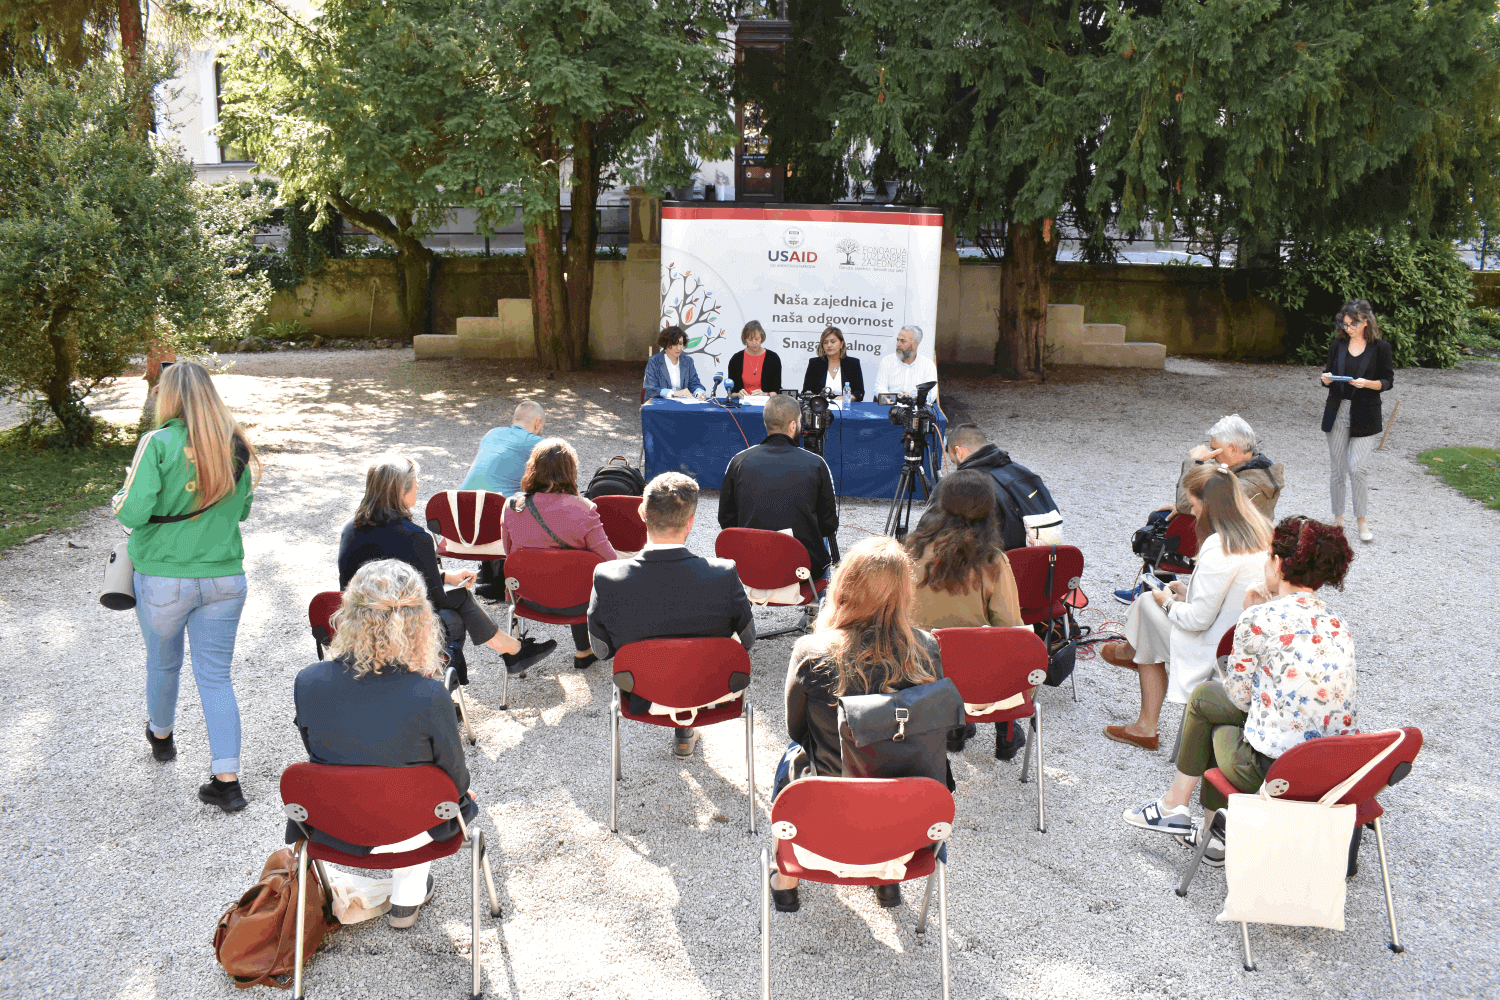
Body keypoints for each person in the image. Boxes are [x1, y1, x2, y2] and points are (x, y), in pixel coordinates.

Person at [1123, 517, 1357, 865]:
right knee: (1214, 705)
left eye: (1268, 556)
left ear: (1278, 564)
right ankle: (1200, 826)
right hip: (1330, 770)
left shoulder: (1260, 618)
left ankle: (1187, 815)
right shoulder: (1338, 624)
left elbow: (1238, 696)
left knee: (1208, 704)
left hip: (1272, 774)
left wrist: (1250, 611)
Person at [291, 559, 478, 929]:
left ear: (348, 615)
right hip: (413, 828)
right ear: (420, 620)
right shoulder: (429, 695)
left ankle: (404, 892)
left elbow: (316, 755)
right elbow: (455, 783)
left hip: (336, 822)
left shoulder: (308, 681)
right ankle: (406, 900)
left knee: (401, 787)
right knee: (425, 791)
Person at [112, 360, 263, 813]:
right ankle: (227, 781)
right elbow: (242, 512)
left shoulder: (157, 442)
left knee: (163, 662)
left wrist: (119, 499)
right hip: (224, 577)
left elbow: (133, 512)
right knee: (216, 676)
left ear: (169, 396)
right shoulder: (235, 445)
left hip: (164, 577)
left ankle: (161, 737)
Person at [775, 536, 947, 912]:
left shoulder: (811, 651)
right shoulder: (927, 649)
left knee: (792, 753)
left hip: (826, 822)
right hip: (907, 829)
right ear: (904, 594)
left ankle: (785, 879)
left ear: (844, 587)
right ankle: (886, 882)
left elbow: (796, 729)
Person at [1100, 464, 1270, 751]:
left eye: (1194, 505)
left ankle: (1142, 707)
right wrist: (1187, 594)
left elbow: (1197, 621)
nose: (1192, 512)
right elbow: (1226, 600)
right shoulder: (1260, 532)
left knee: (1147, 604)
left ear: (1208, 505)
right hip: (1245, 642)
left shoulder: (1220, 546)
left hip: (1216, 652)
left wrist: (1167, 603)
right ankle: (1133, 659)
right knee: (1151, 612)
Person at [587, 473, 755, 759]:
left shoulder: (607, 577)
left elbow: (601, 650)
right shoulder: (724, 573)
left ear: (642, 513)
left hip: (643, 694)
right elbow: (748, 639)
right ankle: (685, 730)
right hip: (712, 693)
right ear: (690, 522)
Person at [338, 455, 555, 676]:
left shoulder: (350, 530)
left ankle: (512, 650)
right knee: (456, 614)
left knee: (459, 597)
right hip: (399, 626)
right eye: (415, 483)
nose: (418, 487)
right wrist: (447, 585)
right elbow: (435, 600)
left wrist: (445, 576)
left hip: (357, 621)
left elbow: (379, 575)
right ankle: (503, 655)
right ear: (401, 491)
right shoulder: (415, 538)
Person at [904, 472, 1026, 759]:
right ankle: (1005, 731)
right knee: (1011, 648)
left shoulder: (910, 550)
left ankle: (955, 727)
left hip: (917, 668)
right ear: (989, 508)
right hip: (973, 674)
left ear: (943, 504)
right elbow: (1009, 627)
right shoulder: (993, 562)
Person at [1115, 413, 1282, 603]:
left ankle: (1154, 590)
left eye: (1215, 450)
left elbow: (1185, 503)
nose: (1212, 455)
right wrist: (1190, 505)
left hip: (1227, 539)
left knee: (1160, 523)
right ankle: (1161, 583)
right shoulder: (1255, 470)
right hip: (1230, 528)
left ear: (1233, 448)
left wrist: (1194, 463)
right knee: (1163, 516)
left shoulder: (1250, 483)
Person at [500, 438, 617, 669]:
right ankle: (586, 649)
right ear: (570, 470)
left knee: (568, 570)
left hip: (530, 597)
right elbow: (610, 560)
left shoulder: (512, 507)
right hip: (579, 602)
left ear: (532, 468)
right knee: (581, 574)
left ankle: (584, 649)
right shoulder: (584, 509)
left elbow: (508, 552)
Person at [718, 394, 839, 579]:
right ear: (793, 426)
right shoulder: (816, 464)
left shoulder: (739, 461)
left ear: (766, 423)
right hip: (803, 573)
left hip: (750, 568)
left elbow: (726, 521)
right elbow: (829, 525)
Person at [1321, 299, 1394, 544]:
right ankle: (1338, 520)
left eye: (1352, 324)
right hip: (1337, 411)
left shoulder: (1381, 348)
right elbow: (1328, 375)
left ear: (1365, 322)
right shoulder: (1337, 345)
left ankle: (1361, 521)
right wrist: (1326, 379)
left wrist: (1368, 384)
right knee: (1337, 470)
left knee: (1357, 469)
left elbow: (1387, 381)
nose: (1348, 328)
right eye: (1344, 324)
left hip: (1366, 413)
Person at [459, 400, 546, 599]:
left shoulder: (492, 433)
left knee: (494, 498)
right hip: (494, 522)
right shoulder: (538, 444)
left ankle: (488, 569)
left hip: (461, 516)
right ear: (538, 422)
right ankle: (505, 577)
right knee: (528, 503)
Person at [943, 423, 1061, 550]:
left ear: (959, 452)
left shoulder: (966, 485)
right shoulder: (1022, 472)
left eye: (954, 461)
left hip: (1000, 559)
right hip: (1046, 558)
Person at [871, 325, 939, 402]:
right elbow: (879, 389)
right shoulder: (887, 361)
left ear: (915, 344)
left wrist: (913, 400)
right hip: (890, 406)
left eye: (903, 341)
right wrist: (897, 400)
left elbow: (932, 394)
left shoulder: (928, 365)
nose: (898, 344)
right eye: (898, 340)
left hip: (916, 408)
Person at [801, 326, 866, 401]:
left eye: (833, 342)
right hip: (820, 406)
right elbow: (806, 392)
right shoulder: (815, 363)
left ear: (841, 344)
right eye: (825, 342)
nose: (829, 345)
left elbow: (859, 393)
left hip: (845, 406)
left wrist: (845, 398)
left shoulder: (853, 364)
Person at [643, 325, 708, 400]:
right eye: (674, 344)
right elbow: (650, 387)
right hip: (660, 403)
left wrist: (699, 392)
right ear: (665, 344)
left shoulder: (688, 361)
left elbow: (694, 383)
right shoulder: (654, 361)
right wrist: (674, 393)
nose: (679, 348)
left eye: (680, 343)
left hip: (682, 404)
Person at [727, 320, 782, 397]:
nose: (754, 343)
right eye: (750, 340)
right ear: (745, 339)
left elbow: (777, 391)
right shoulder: (736, 359)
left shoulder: (773, 358)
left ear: (762, 338)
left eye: (757, 339)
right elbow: (731, 393)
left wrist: (765, 394)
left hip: (766, 403)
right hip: (742, 403)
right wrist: (738, 394)